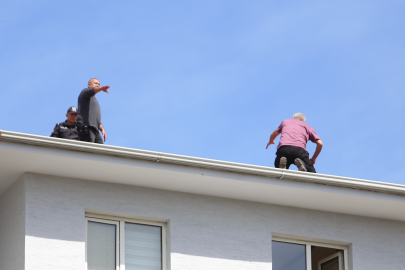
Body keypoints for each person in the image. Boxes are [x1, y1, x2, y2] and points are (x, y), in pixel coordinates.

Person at [77, 78, 110, 144]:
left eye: (99, 84)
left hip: (95, 130)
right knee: (88, 150)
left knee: (101, 151)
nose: (97, 85)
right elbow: (91, 91)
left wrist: (102, 129)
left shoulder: (94, 101)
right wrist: (101, 88)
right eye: (95, 83)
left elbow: (96, 120)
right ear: (89, 85)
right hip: (87, 128)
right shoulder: (85, 92)